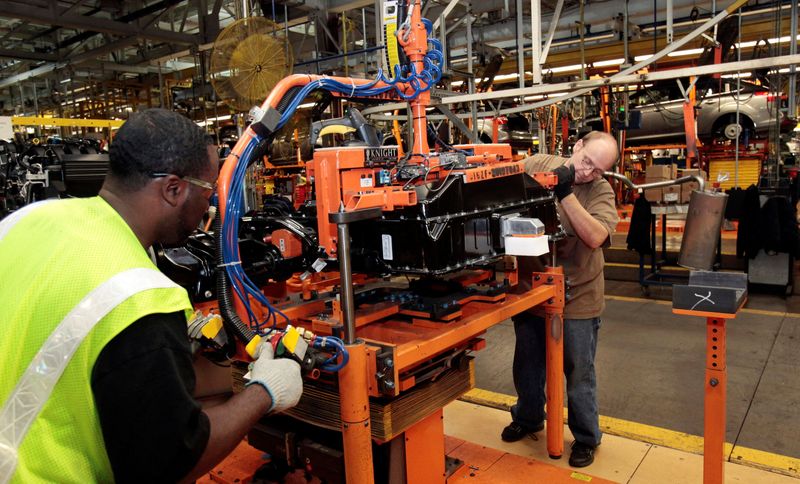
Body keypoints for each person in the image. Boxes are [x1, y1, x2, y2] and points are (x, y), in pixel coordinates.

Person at [0, 108, 302, 483]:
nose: (210, 204)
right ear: (173, 189)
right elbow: (172, 462)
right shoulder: (141, 300)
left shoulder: (26, 221)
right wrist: (265, 391)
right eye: (208, 189)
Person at [501, 131, 620, 468]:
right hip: (531, 288)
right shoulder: (538, 165)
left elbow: (596, 236)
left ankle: (585, 437)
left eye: (598, 170)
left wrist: (566, 192)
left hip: (578, 294)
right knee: (527, 363)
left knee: (578, 371)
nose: (587, 173)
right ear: (577, 146)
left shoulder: (599, 191)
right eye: (586, 162)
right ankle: (528, 417)